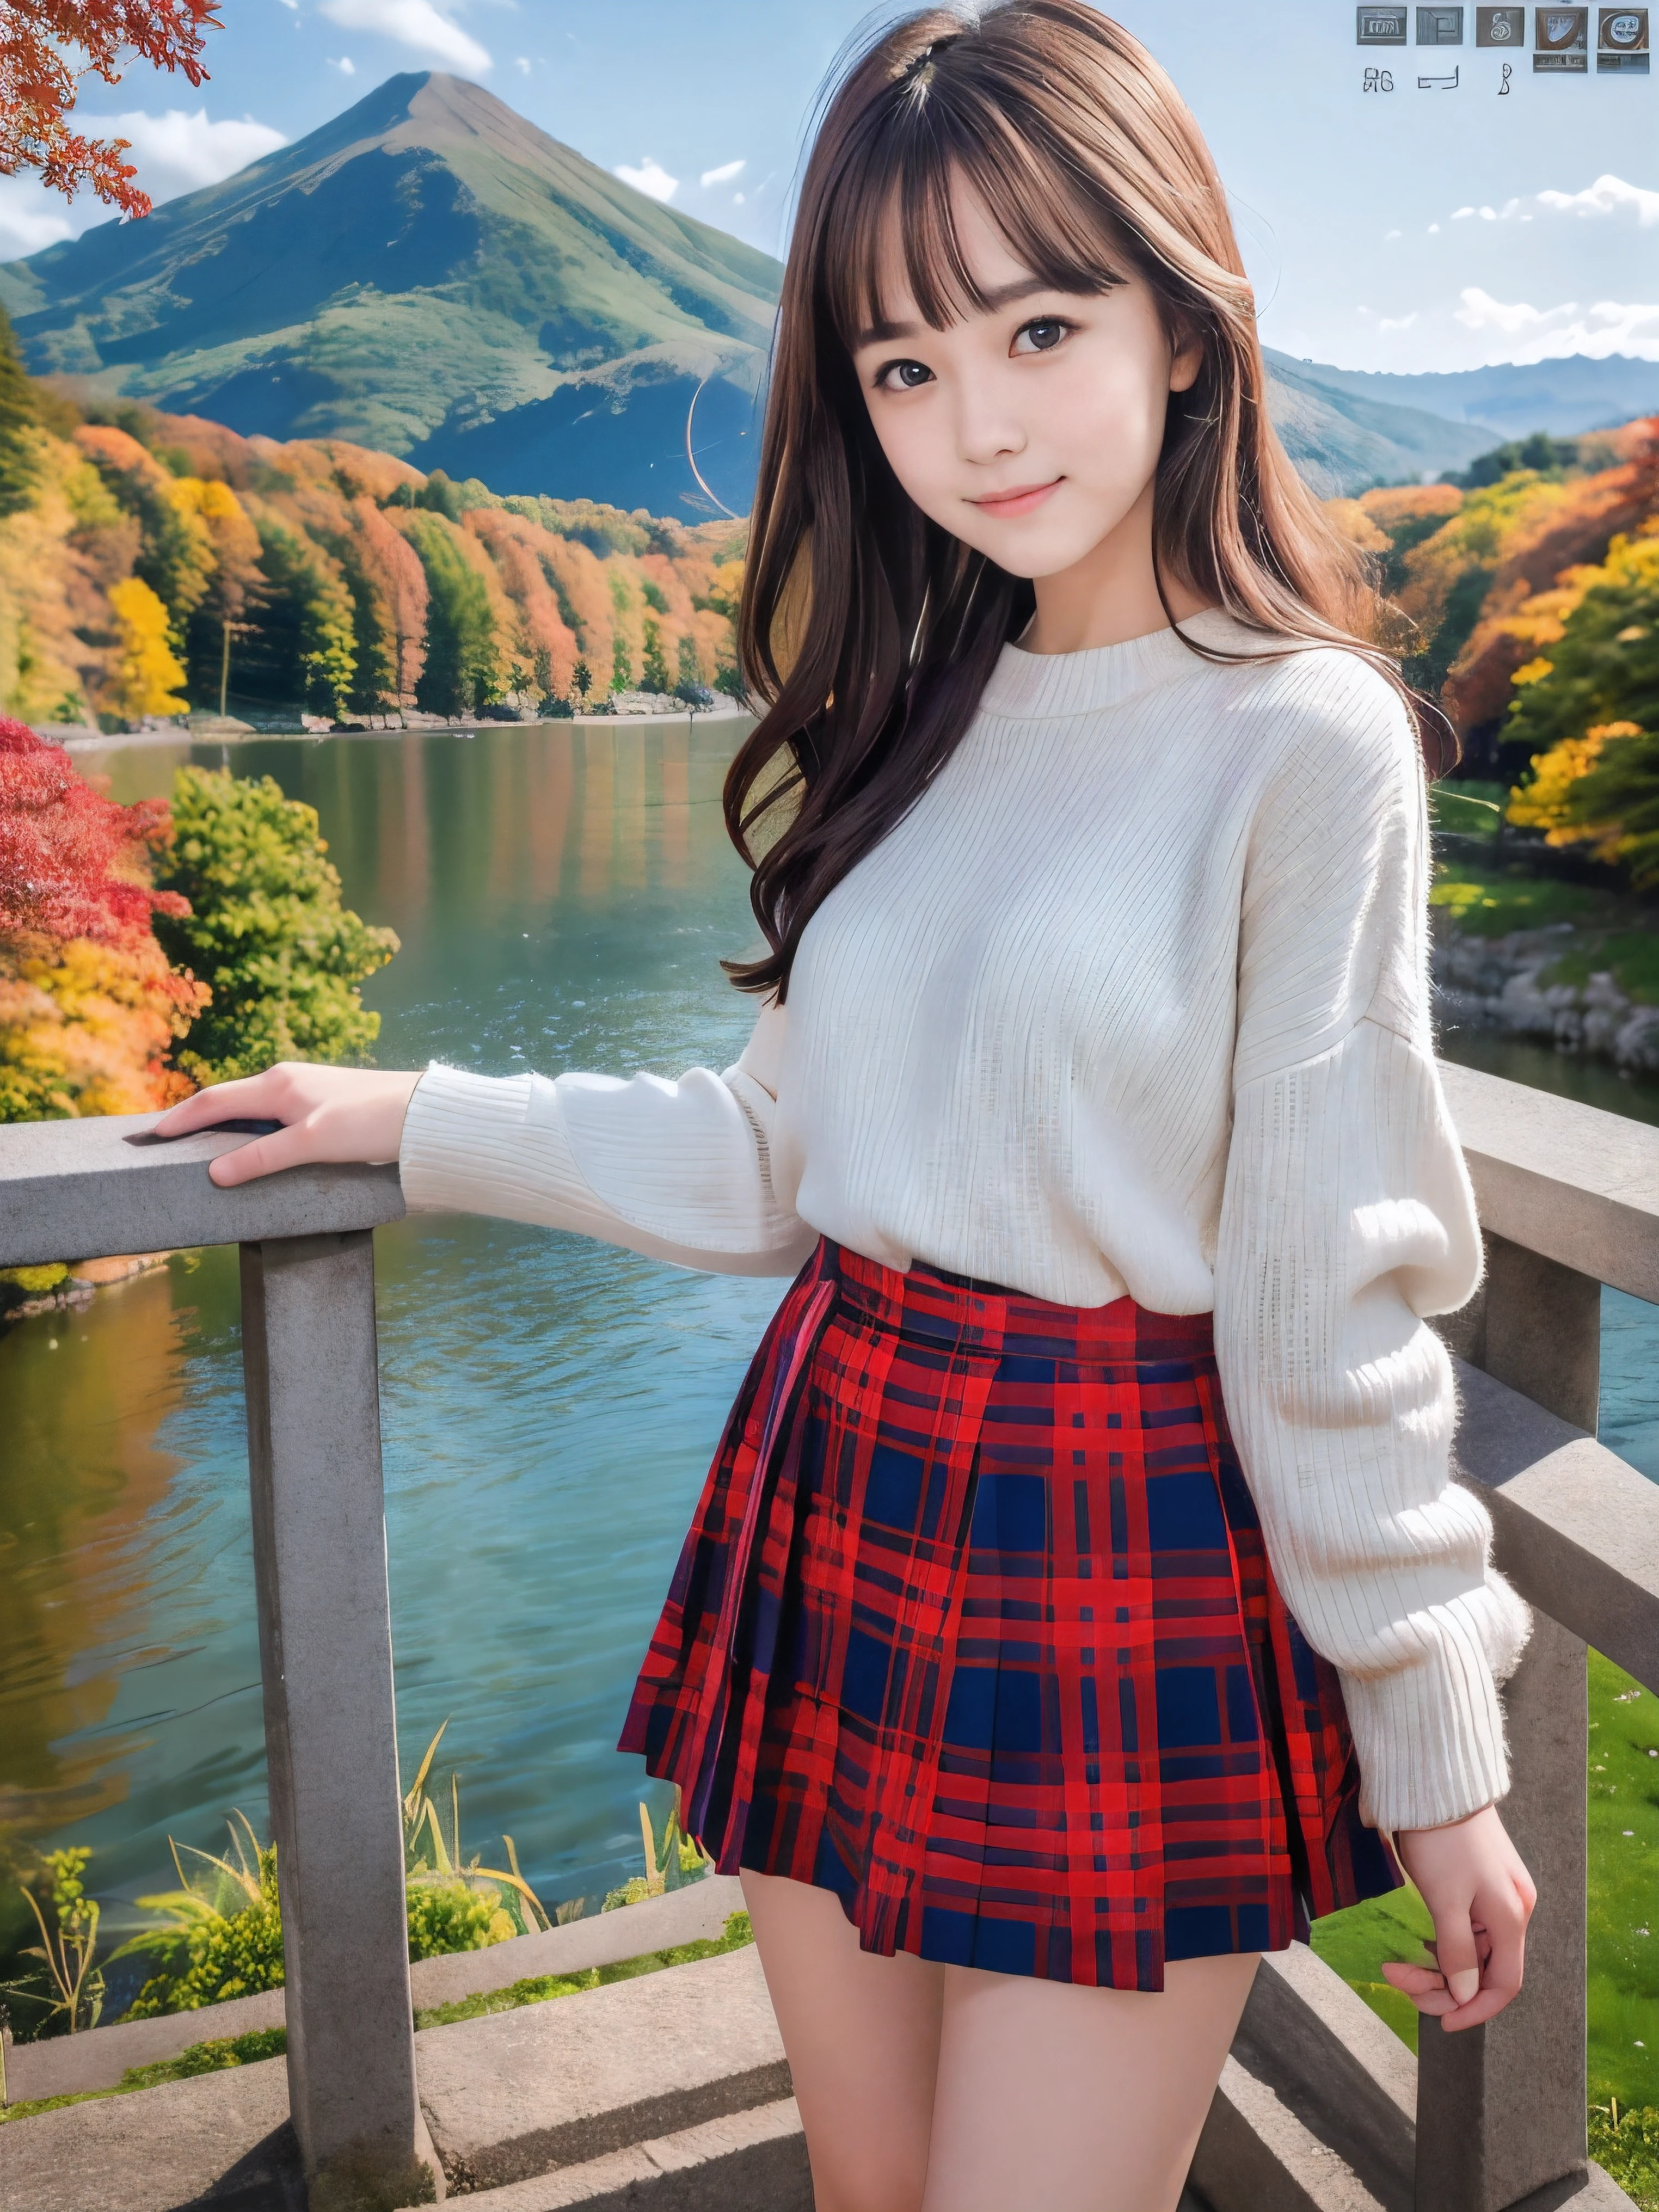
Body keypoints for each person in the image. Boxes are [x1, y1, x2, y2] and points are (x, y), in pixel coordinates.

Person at [156, 8, 1538, 2208]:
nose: (973, 421)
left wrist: (1435, 1729)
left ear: (1187, 326)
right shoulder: (916, 710)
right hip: (845, 1472)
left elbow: (1326, 1290)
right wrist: (404, 1112)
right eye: (901, 365)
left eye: (1040, 322)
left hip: (1121, 1527)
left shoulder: (1305, 740)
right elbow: (778, 1158)